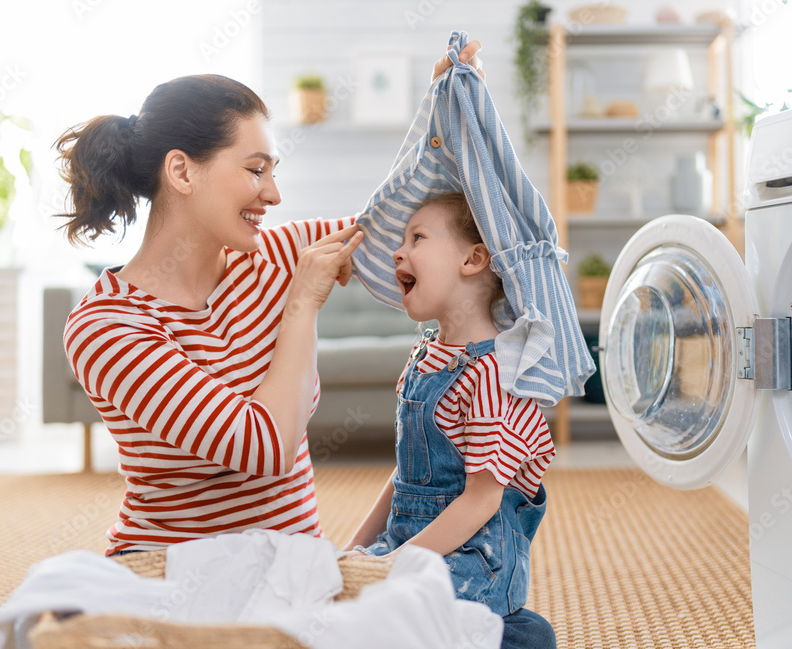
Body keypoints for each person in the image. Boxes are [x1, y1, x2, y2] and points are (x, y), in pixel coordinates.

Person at [54, 42, 483, 556]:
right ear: (183, 172)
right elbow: (267, 446)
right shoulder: (106, 326)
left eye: (273, 171)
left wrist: (453, 108)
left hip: (295, 570)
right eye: (256, 170)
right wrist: (301, 303)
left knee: (518, 635)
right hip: (174, 578)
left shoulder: (281, 252)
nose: (273, 194)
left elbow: (425, 223)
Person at [346, 192, 558, 649]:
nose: (398, 252)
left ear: (473, 259)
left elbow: (481, 501)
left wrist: (395, 568)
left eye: (417, 237)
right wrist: (356, 555)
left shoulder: (493, 374)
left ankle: (514, 635)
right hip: (409, 544)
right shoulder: (426, 356)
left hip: (470, 562)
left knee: (391, 618)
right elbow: (405, 475)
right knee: (336, 598)